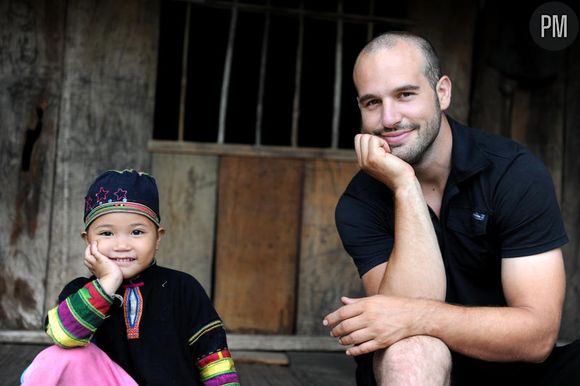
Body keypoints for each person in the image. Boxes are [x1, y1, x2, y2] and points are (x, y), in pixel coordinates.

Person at [323, 31, 580, 385]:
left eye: (405, 95)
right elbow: (401, 330)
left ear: (442, 92)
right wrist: (405, 186)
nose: (389, 118)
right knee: (412, 353)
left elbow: (536, 336)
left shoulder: (513, 173)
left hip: (516, 370)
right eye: (372, 103)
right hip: (417, 366)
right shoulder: (361, 201)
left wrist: (420, 317)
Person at [21, 169, 240, 386]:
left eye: (137, 232)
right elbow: (64, 336)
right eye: (106, 233)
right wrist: (107, 283)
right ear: (88, 241)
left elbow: (213, 355)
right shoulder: (80, 292)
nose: (122, 246)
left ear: (157, 237)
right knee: (56, 358)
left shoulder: (183, 288)